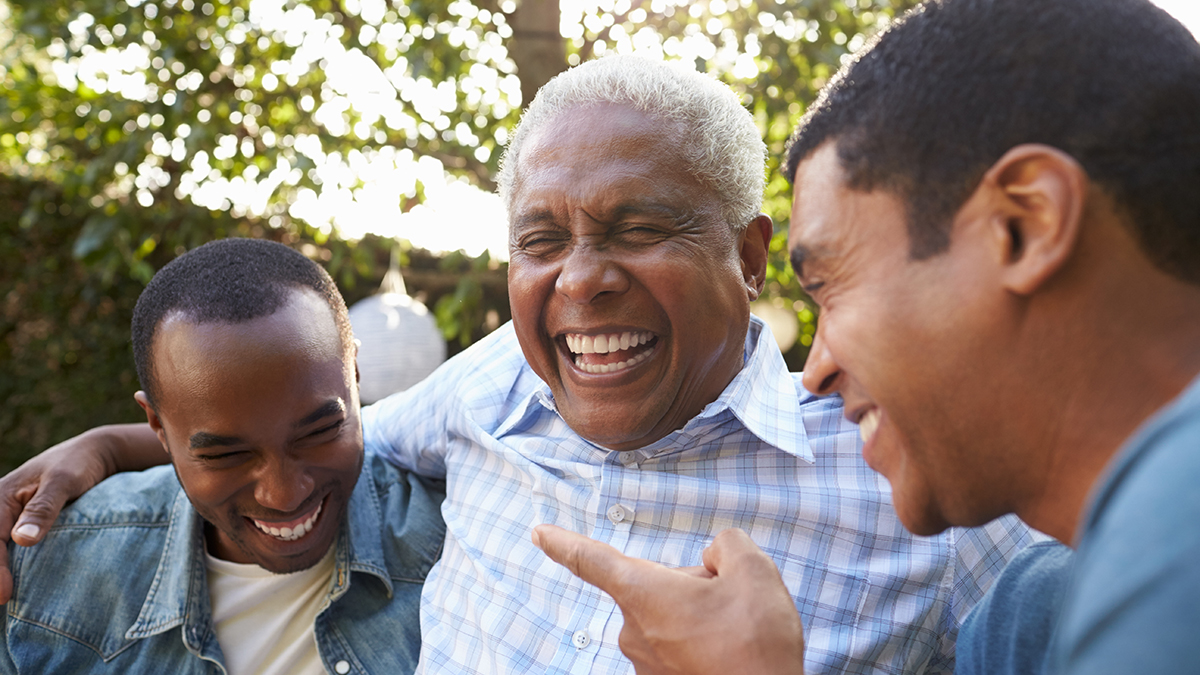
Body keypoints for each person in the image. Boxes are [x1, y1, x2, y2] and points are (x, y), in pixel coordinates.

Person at [0, 57, 1036, 674]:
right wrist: (103, 448)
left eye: (640, 227)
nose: (580, 283)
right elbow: (312, 438)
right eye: (542, 241)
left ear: (751, 255)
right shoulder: (492, 386)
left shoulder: (918, 485)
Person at [531, 1, 1200, 674]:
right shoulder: (1028, 615)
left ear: (1024, 226)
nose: (814, 371)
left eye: (830, 283)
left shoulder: (1177, 538)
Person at [0, 239, 446, 674]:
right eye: (226, 456)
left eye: (320, 432)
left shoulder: (455, 543)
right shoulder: (42, 576)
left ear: (355, 375)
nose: (285, 494)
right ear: (158, 427)